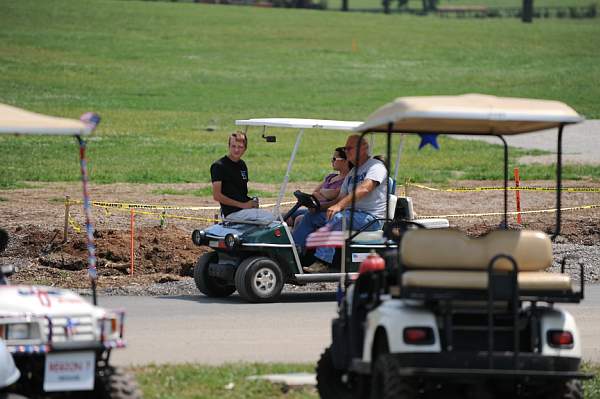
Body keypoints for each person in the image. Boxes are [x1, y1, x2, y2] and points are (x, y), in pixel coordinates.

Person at [293, 134, 388, 273]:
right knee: (310, 217)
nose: (346, 151)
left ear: (363, 149)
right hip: (351, 214)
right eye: (345, 148)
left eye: (349, 148)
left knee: (338, 218)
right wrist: (319, 207)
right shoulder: (353, 172)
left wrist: (339, 207)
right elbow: (339, 199)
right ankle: (295, 254)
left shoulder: (376, 166)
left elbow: (365, 188)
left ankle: (323, 262)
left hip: (370, 218)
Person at [210, 132, 274, 224]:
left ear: (245, 149)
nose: (236, 150)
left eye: (240, 147)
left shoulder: (242, 165)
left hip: (243, 210)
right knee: (271, 218)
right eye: (233, 146)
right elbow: (217, 196)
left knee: (278, 217)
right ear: (229, 146)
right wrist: (243, 205)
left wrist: (251, 202)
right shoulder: (219, 166)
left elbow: (240, 192)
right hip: (232, 212)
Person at [287, 147, 352, 228]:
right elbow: (315, 193)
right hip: (316, 209)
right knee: (285, 217)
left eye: (335, 158)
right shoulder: (330, 177)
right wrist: (326, 194)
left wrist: (322, 192)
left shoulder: (348, 180)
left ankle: (297, 239)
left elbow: (334, 194)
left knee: (299, 219)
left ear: (345, 161)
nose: (332, 160)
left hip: (326, 211)